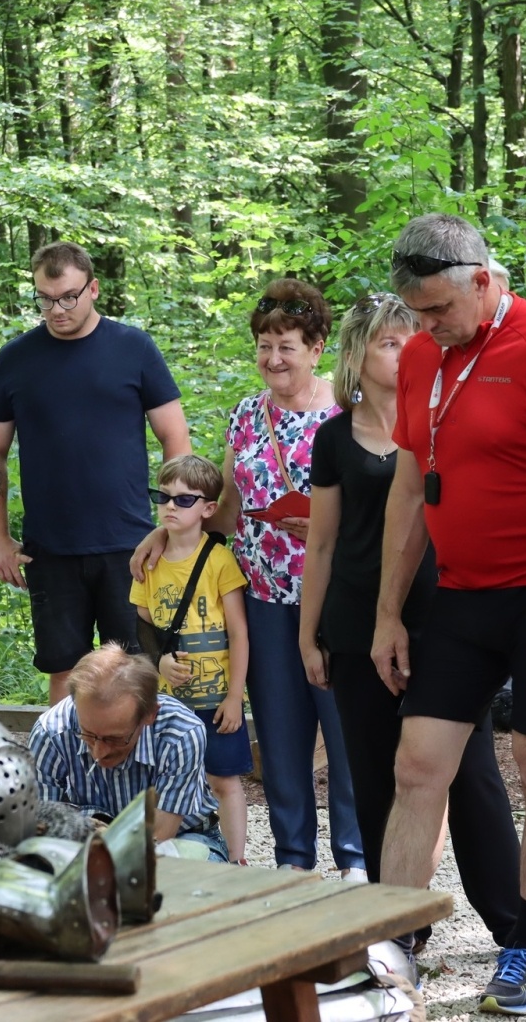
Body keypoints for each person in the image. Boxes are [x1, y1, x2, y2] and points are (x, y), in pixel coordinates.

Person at [372, 214, 526, 1015]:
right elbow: (408, 492)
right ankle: (391, 948)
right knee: (417, 767)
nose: (428, 328)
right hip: (460, 597)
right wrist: (387, 615)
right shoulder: (422, 359)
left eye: (438, 310)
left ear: (483, 278)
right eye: (416, 315)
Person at [298, 292, 521, 946]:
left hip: (449, 622)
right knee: (373, 778)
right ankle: (399, 928)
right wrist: (308, 634)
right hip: (354, 626)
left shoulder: (445, 418)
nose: (406, 351)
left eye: (411, 338)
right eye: (389, 343)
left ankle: (515, 931)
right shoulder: (334, 437)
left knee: (473, 775)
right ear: (357, 356)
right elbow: (321, 544)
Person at [137, 278, 366, 879]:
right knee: (284, 739)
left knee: (345, 736)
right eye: (265, 345)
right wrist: (168, 532)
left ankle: (355, 862)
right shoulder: (246, 414)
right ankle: (292, 861)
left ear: (318, 348)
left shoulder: (349, 415)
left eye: (287, 345)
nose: (273, 359)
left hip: (337, 599)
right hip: (262, 599)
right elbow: (228, 506)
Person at [0, 242, 191, 706]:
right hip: (50, 549)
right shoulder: (16, 359)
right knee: (64, 675)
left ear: (93, 288)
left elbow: (175, 440)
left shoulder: (134, 348)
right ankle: (67, 774)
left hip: (130, 545)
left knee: (137, 673)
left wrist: (169, 525)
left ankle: (138, 775)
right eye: (46, 298)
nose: (57, 309)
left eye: (69, 296)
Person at [130, 454, 251, 863]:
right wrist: (159, 662)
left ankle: (236, 860)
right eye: (162, 496)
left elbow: (238, 631)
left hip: (216, 701)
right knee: (164, 778)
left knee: (224, 780)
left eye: (183, 500)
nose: (169, 506)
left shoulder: (218, 559)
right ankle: (167, 854)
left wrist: (235, 697)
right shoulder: (148, 563)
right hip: (168, 704)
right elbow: (144, 625)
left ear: (208, 509)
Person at [28, 644, 227, 860]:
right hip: (83, 845)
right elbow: (43, 831)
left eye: (114, 739)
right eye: (87, 734)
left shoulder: (181, 733)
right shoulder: (50, 733)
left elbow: (159, 836)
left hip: (183, 838)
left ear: (150, 715)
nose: (99, 752)